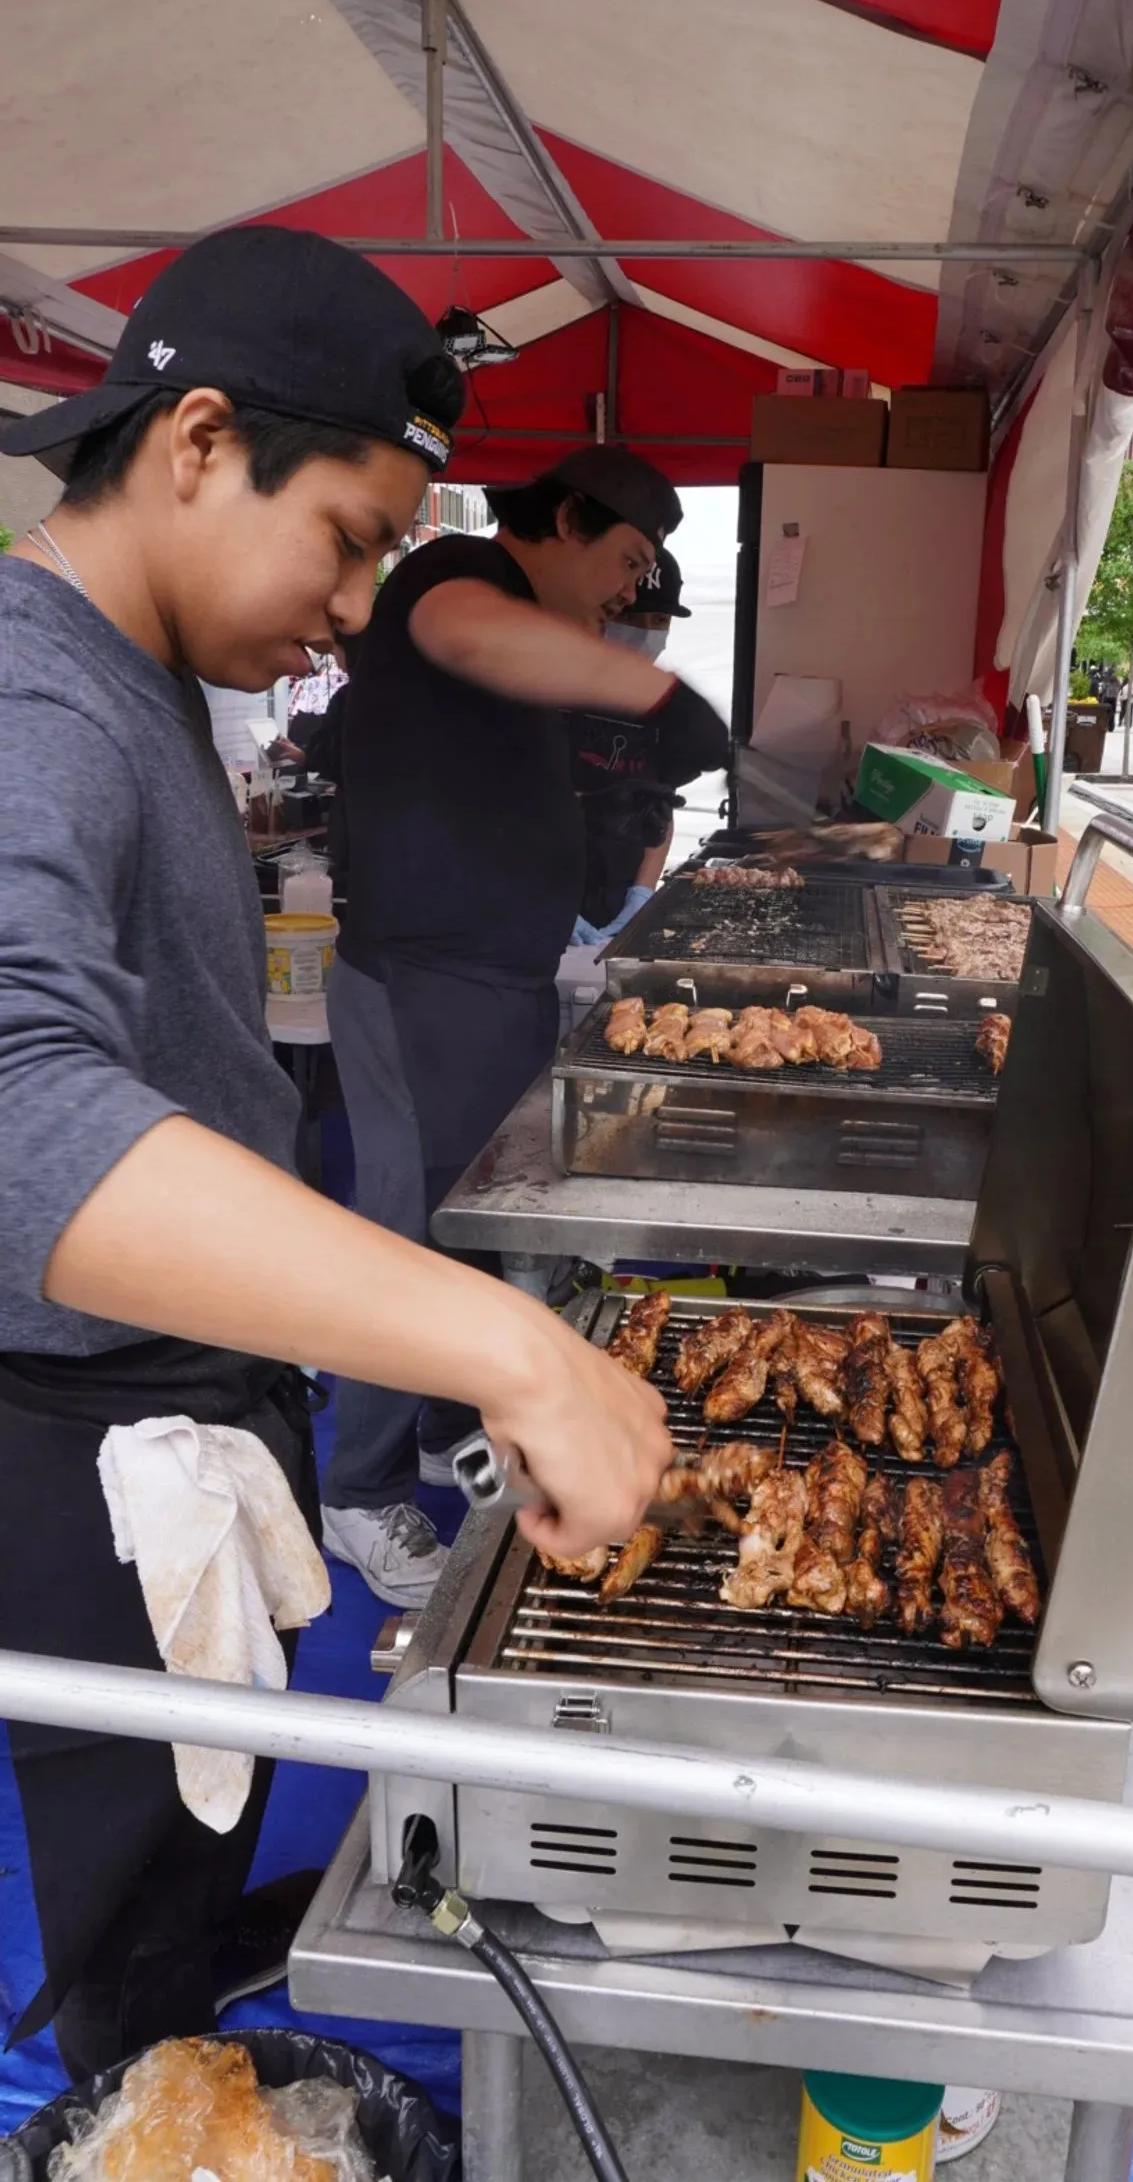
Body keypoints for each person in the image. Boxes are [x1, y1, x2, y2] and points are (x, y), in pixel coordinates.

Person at [0, 228, 671, 2080]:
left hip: (180, 1395)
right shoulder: (32, 694)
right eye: (354, 537)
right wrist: (511, 1343)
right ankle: (141, 2081)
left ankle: (190, 1972)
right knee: (123, 1901)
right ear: (199, 441)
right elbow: (18, 1106)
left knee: (197, 1816)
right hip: (76, 1431)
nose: (367, 604)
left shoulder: (134, 674)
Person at [323, 445, 719, 1603]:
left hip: (491, 978)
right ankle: (358, 1489)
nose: (628, 591)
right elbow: (466, 635)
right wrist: (648, 689)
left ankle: (452, 1426)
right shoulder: (450, 575)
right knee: (400, 1233)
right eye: (625, 558)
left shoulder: (535, 640)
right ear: (559, 518)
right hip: (417, 981)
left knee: (466, 1220)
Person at [568, 547, 729, 944]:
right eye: (629, 616)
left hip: (620, 890)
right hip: (542, 888)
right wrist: (543, 897)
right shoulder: (552, 691)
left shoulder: (662, 703)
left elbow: (661, 807)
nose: (644, 631)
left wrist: (640, 897)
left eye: (658, 620)